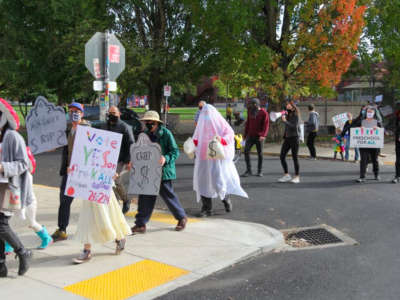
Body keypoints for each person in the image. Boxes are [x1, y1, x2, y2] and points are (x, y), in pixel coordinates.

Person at [131, 111, 187, 234]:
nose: (147, 124)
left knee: (168, 195)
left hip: (163, 171)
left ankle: (181, 217)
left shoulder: (166, 134)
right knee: (145, 197)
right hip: (148, 171)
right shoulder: (144, 135)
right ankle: (140, 224)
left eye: (150, 122)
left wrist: (165, 158)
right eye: (146, 122)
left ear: (156, 122)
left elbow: (175, 151)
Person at [192, 104, 248, 217]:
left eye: (208, 114)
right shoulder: (201, 125)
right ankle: (207, 208)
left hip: (216, 157)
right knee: (203, 181)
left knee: (218, 180)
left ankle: (225, 199)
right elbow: (196, 138)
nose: (206, 117)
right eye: (205, 114)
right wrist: (192, 145)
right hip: (203, 158)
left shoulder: (220, 123)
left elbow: (230, 134)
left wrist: (221, 139)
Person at [0, 98, 33, 277]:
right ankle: (1, 266)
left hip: (9, 188)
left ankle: (23, 252)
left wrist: (4, 167)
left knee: (1, 225)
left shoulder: (13, 136)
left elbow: (23, 163)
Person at [51, 102, 91, 242]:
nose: (73, 113)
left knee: (93, 203)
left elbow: (90, 151)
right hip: (68, 173)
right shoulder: (68, 130)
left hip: (84, 174)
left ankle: (99, 230)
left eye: (76, 111)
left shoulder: (86, 129)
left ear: (82, 113)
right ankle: (62, 229)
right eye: (71, 111)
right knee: (64, 201)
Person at [98, 106, 134, 214]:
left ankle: (126, 199)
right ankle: (115, 203)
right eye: (109, 113)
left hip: (120, 158)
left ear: (119, 114)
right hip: (107, 159)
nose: (111, 115)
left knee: (115, 180)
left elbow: (131, 144)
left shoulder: (125, 127)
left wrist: (129, 161)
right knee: (108, 182)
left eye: (114, 113)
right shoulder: (104, 126)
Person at [242, 98, 270, 177]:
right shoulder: (250, 111)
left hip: (259, 137)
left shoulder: (264, 113)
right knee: (246, 151)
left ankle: (259, 171)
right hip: (250, 136)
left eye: (252, 104)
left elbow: (266, 125)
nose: (251, 106)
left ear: (256, 104)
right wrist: (245, 135)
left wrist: (263, 135)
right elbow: (248, 124)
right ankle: (249, 170)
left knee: (260, 154)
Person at [356, 106, 382, 183]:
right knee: (363, 160)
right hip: (364, 144)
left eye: (371, 112)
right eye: (368, 112)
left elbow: (383, 132)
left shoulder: (378, 122)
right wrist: (360, 128)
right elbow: (355, 129)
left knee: (375, 160)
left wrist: (378, 128)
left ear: (374, 113)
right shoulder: (361, 121)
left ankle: (376, 174)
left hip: (374, 144)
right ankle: (362, 176)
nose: (369, 113)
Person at [278, 100, 301, 184]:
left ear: (292, 105)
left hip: (294, 138)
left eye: (288, 104)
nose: (287, 106)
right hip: (287, 138)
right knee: (282, 156)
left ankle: (297, 176)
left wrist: (285, 121)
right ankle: (286, 175)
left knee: (295, 157)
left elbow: (294, 126)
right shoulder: (287, 114)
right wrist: (284, 116)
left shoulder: (295, 114)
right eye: (286, 105)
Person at [392, 101, 400, 183]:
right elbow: (394, 126)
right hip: (398, 141)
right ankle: (397, 176)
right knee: (398, 160)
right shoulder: (397, 115)